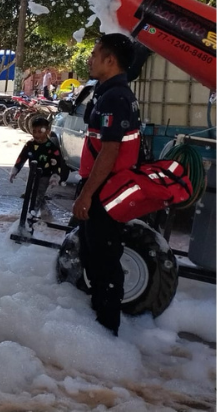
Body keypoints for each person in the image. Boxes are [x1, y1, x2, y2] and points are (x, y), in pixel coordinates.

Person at [72, 33, 141, 336]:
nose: (90, 59)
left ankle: (107, 330)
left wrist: (87, 195)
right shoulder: (107, 92)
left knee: (104, 261)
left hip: (106, 191)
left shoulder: (116, 97)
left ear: (110, 60)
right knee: (92, 255)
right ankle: (98, 323)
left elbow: (110, 152)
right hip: (99, 187)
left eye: (95, 53)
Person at [9, 117, 64, 222]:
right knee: (32, 193)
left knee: (38, 195)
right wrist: (15, 170)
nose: (37, 134)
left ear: (47, 131)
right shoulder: (30, 145)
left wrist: (55, 176)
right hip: (33, 174)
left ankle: (31, 216)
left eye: (40, 131)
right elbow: (22, 158)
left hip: (45, 175)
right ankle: (46, 214)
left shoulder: (51, 147)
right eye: (34, 131)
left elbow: (57, 163)